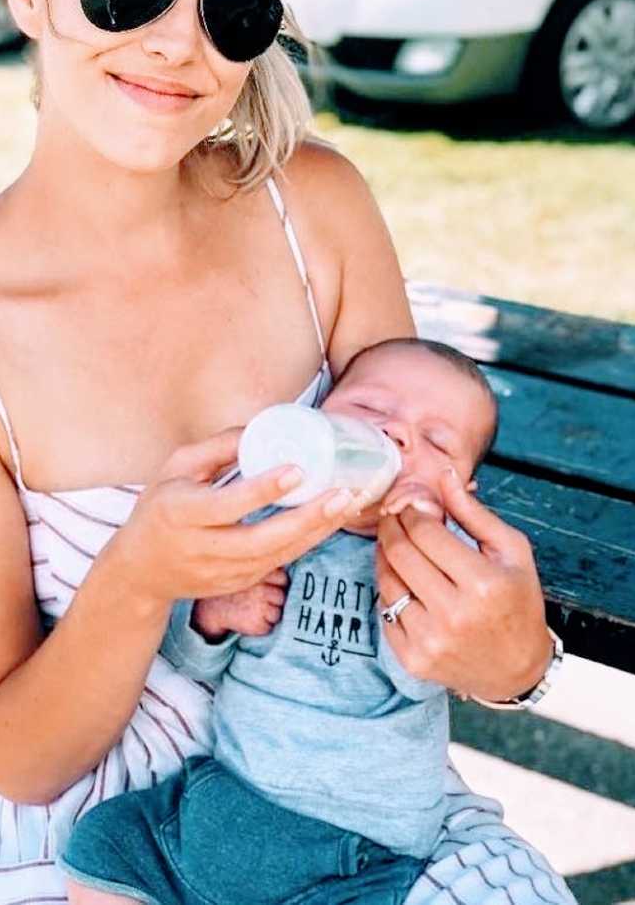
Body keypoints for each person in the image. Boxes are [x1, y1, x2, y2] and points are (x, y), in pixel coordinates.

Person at [0, 0, 573, 904]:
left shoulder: (315, 210)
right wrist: (141, 580)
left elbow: (419, 550)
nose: (179, 41)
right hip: (102, 858)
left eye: (230, 8)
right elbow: (21, 757)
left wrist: (516, 661)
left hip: (359, 834)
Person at [60, 337, 506, 905]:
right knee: (104, 843)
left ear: (463, 491)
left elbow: (422, 676)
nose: (395, 434)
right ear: (316, 424)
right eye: (369, 411)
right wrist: (214, 611)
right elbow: (190, 656)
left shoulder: (445, 559)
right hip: (228, 803)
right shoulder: (266, 519)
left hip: (357, 849)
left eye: (436, 440)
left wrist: (408, 555)